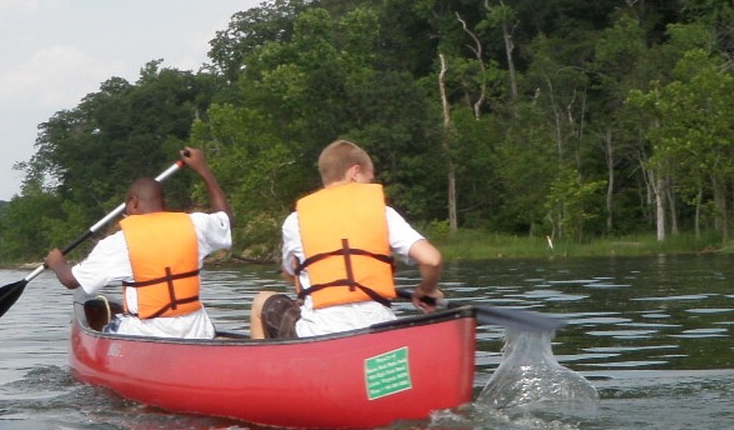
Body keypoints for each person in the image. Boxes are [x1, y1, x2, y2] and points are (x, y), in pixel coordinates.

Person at [250, 139, 443, 338]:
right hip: (381, 331)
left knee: (261, 302)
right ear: (355, 173)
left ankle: (263, 366)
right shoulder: (383, 213)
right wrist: (427, 289)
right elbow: (431, 259)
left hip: (318, 334)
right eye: (370, 179)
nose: (371, 185)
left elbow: (289, 273)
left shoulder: (295, 221)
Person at [45, 147, 232, 338]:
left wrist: (58, 263)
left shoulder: (119, 243)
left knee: (110, 327)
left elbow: (72, 281)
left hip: (147, 334)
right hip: (197, 331)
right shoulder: (194, 224)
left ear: (133, 202)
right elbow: (225, 219)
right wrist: (203, 169)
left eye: (127, 207)